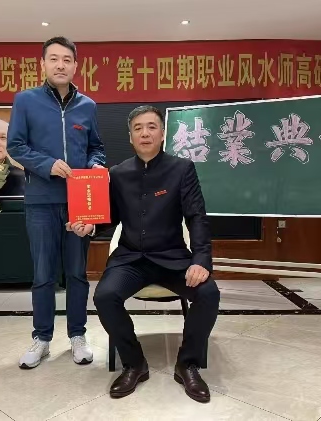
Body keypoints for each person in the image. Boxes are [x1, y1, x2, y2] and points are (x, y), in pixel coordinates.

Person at [67, 105, 220, 403]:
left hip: (172, 258)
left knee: (208, 293)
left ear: (162, 134)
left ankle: (187, 364)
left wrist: (201, 260)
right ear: (130, 137)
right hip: (131, 259)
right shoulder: (118, 173)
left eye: (151, 127)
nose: (145, 133)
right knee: (104, 297)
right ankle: (134, 363)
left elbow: (197, 218)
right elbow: (109, 217)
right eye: (138, 128)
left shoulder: (182, 169)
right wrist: (89, 226)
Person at [7, 36, 106, 369]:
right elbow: (16, 146)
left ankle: (78, 335)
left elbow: (96, 148)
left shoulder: (87, 106)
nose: (60, 65)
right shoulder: (26, 101)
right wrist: (47, 164)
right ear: (43, 64)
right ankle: (42, 338)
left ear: (76, 65)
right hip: (41, 201)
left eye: (67, 59)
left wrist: (95, 165)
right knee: (43, 273)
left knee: (77, 273)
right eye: (54, 59)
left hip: (80, 202)